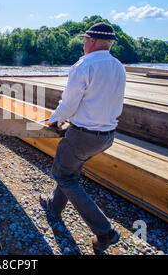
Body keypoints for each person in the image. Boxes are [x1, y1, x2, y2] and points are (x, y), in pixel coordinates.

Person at [40, 22, 126, 253]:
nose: (84, 43)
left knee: (63, 175)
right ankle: (54, 207)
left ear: (93, 41)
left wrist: (53, 119)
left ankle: (104, 231)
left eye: (86, 39)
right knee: (70, 171)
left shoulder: (84, 65)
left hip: (83, 135)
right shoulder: (119, 67)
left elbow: (68, 104)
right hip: (107, 136)